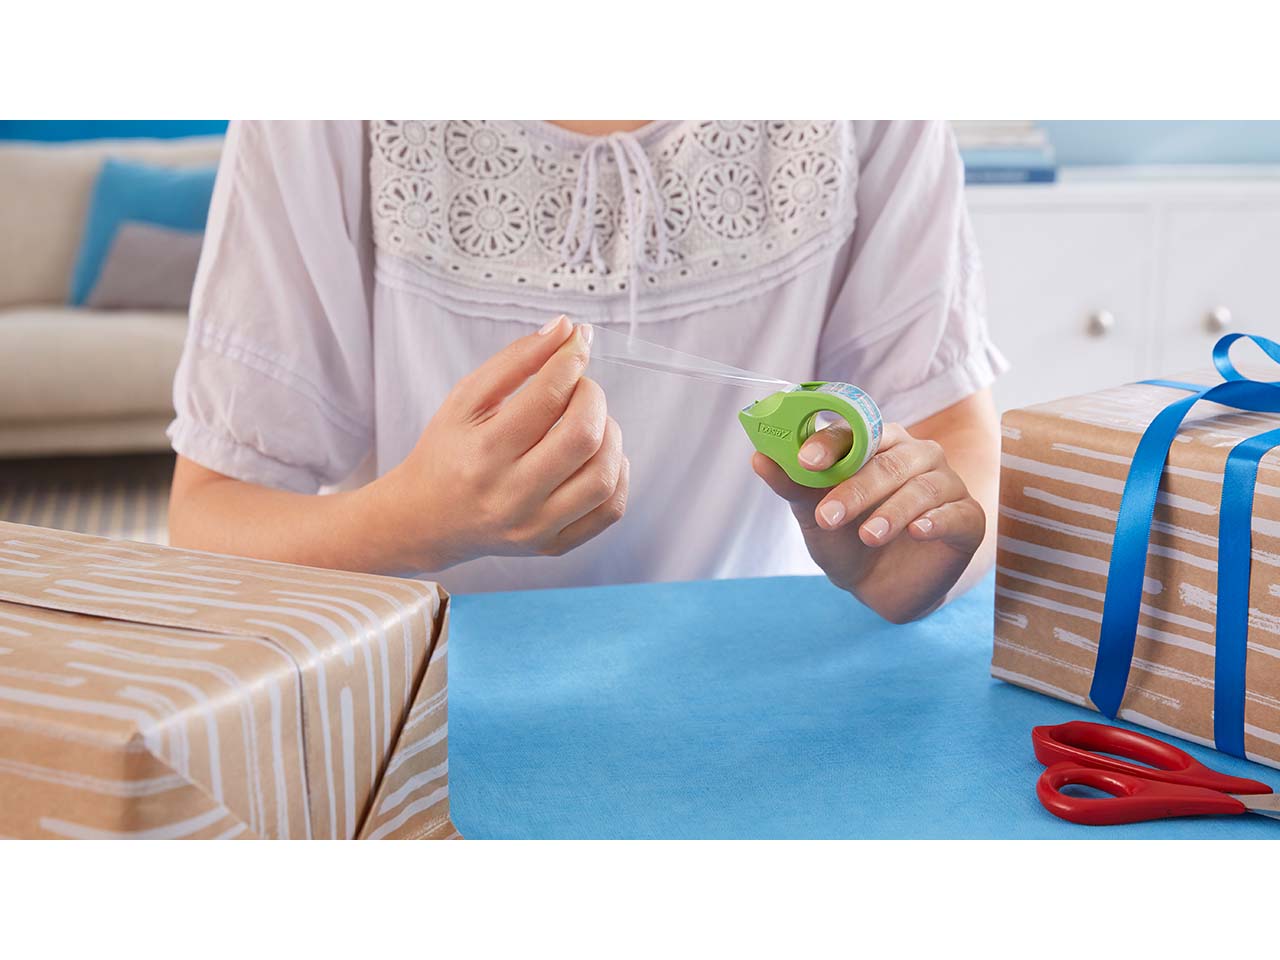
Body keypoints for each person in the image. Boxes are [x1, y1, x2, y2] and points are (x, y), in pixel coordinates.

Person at [167, 120, 1005, 622]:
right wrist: (415, 523)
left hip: (762, 710)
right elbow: (207, 526)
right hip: (424, 738)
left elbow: (953, 438)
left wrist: (914, 554)